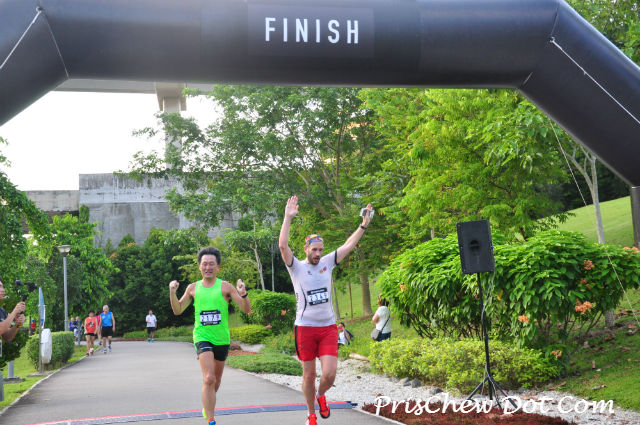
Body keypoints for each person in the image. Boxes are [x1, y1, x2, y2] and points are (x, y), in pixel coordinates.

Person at [279, 195, 373, 425]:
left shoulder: (327, 263)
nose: (318, 254)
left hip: (328, 327)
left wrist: (363, 225)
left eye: (321, 250)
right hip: (305, 329)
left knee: (329, 374)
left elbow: (348, 245)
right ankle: (311, 413)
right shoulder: (296, 267)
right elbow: (283, 246)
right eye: (314, 250)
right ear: (306, 249)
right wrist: (288, 217)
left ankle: (321, 395)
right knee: (309, 374)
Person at [169, 246, 252, 425]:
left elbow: (246, 309)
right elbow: (177, 310)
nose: (208, 267)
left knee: (217, 380)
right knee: (209, 378)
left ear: (218, 267)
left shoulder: (226, 287)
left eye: (211, 264)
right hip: (202, 336)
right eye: (204, 264)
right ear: (199, 266)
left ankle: (207, 407)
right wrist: (172, 292)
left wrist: (243, 293)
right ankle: (211, 419)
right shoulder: (193, 288)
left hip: (221, 338)